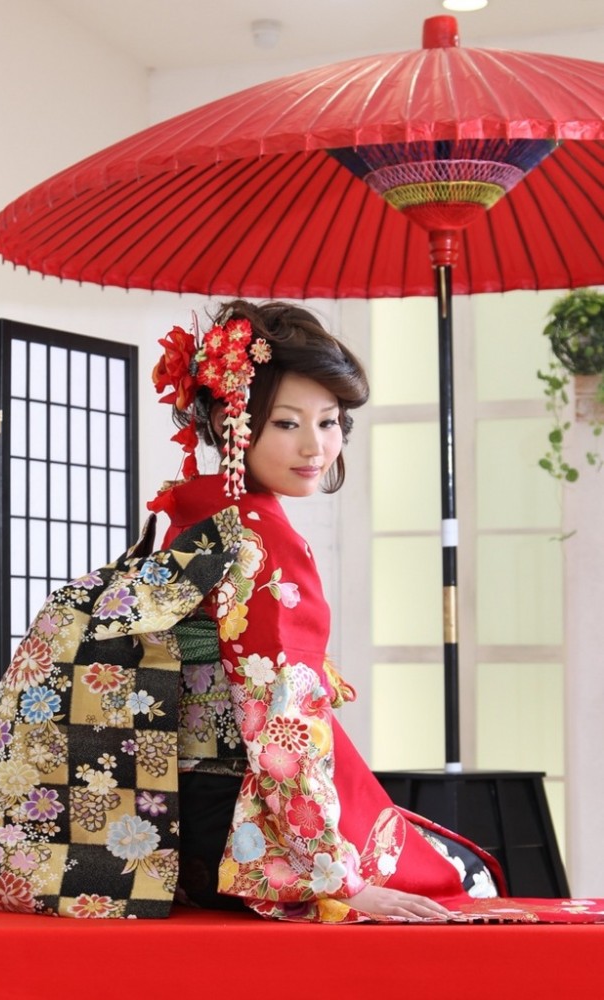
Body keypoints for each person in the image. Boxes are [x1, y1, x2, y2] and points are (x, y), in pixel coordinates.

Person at [148, 299, 503, 924]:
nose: (316, 446)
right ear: (231, 422)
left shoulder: (190, 516)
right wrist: (337, 879)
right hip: (245, 838)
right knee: (469, 878)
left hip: (171, 832)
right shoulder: (265, 542)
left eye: (330, 421)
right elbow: (281, 726)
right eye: (287, 423)